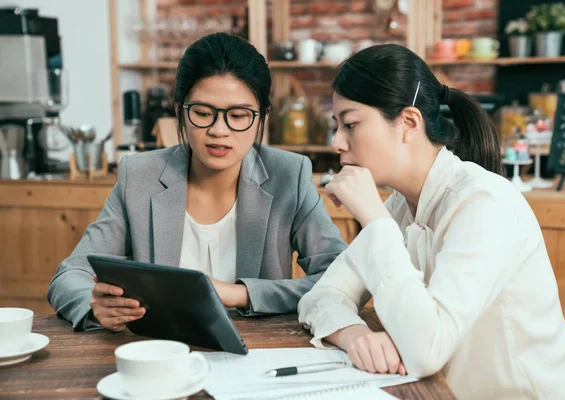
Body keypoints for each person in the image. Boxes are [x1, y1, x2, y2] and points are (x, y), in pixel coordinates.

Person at [298, 44, 565, 399]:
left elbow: (426, 349)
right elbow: (322, 296)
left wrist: (374, 221)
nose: (336, 142)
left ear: (409, 122)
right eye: (337, 126)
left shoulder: (485, 203)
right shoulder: (401, 205)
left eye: (350, 124)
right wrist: (354, 335)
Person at [48, 33, 347, 333]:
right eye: (203, 113)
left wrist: (239, 294)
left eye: (238, 115)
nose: (219, 130)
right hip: (162, 354)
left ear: (262, 117)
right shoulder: (139, 176)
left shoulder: (289, 176)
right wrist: (93, 304)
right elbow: (70, 275)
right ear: (180, 111)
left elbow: (341, 276)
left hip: (259, 355)